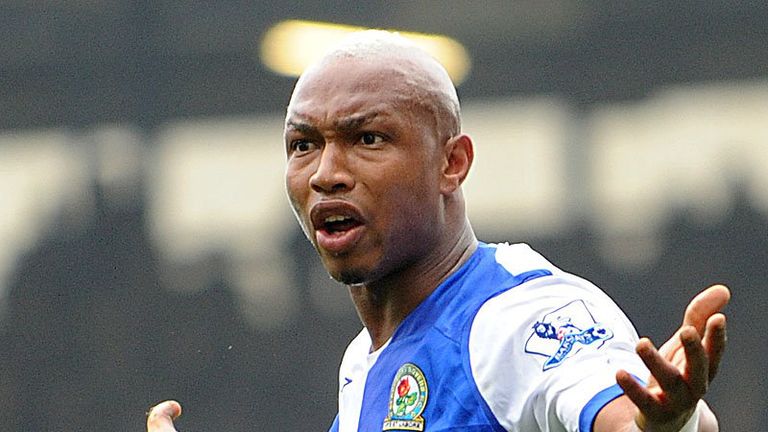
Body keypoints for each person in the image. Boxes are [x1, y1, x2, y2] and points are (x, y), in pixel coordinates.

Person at [147, 30, 729, 432]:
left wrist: (665, 420)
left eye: (367, 139)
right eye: (304, 145)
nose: (326, 173)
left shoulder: (516, 313)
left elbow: (618, 411)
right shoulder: (363, 365)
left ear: (452, 163)